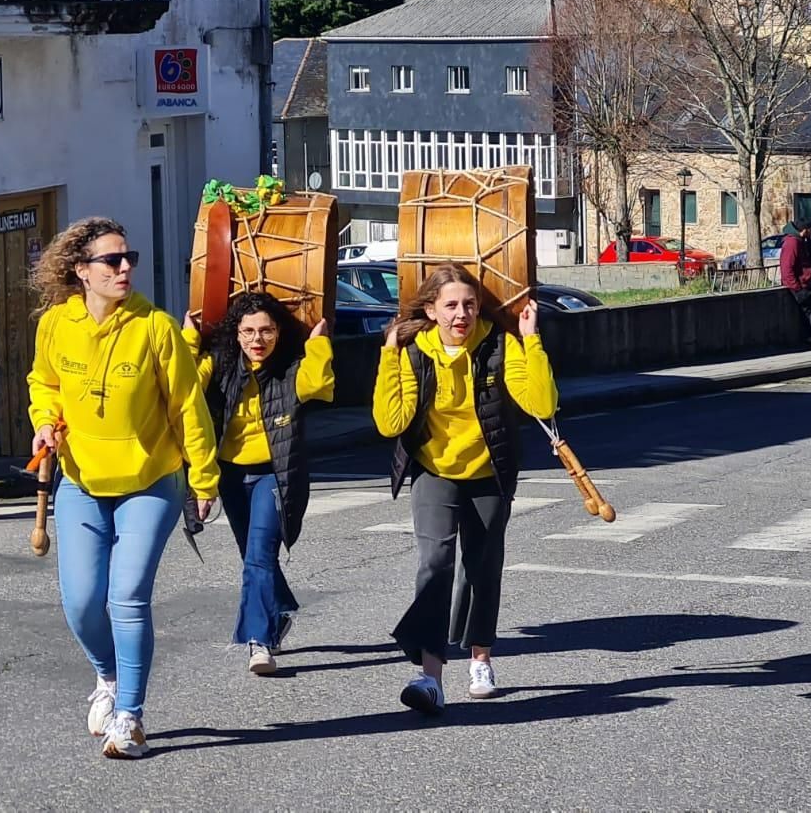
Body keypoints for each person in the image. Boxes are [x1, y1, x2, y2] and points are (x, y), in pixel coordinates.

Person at [26, 216, 219, 759]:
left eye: (128, 257)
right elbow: (44, 383)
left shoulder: (154, 328)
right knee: (82, 602)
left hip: (150, 481)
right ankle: (108, 677)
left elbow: (187, 407)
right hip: (80, 481)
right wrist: (45, 418)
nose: (125, 267)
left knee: (127, 597)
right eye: (112, 260)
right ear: (81, 271)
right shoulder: (55, 326)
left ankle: (130, 716)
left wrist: (204, 477)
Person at [373, 264, 557, 714]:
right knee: (434, 564)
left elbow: (541, 403)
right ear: (431, 310)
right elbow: (390, 423)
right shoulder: (415, 350)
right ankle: (430, 677)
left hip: (489, 471)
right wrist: (390, 355)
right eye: (451, 305)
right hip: (434, 470)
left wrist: (531, 338)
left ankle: (480, 658)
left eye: (469, 304)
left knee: (482, 566)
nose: (462, 314)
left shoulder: (499, 342)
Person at [182, 293, 334, 676]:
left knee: (259, 557)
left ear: (278, 332)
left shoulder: (290, 371)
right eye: (248, 331)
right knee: (252, 555)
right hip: (231, 474)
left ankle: (259, 639)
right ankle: (279, 610)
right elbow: (182, 385)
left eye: (266, 330)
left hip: (274, 473)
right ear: (235, 334)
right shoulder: (219, 367)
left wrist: (317, 342)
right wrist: (189, 340)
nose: (257, 339)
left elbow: (319, 383)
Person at [779, 220, 811, 349]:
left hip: (804, 284)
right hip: (799, 286)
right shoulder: (792, 242)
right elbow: (787, 268)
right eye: (810, 230)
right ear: (804, 230)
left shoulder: (799, 241)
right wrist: (797, 288)